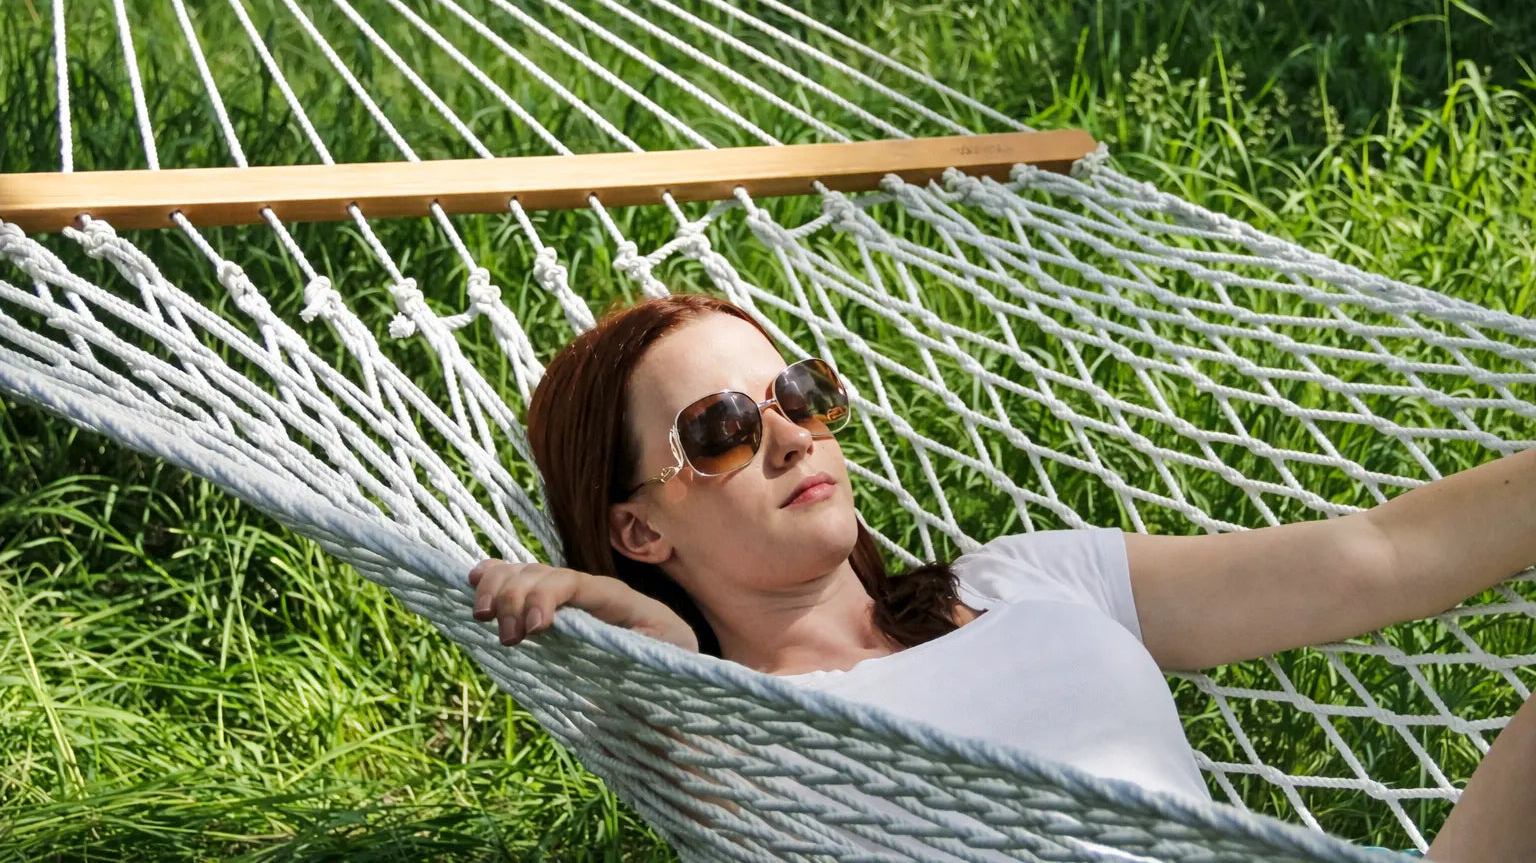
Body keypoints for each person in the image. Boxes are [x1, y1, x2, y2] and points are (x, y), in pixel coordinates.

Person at [466, 293, 1536, 861]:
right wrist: (634, 631)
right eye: (724, 430)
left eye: (799, 392)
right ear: (637, 530)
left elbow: (1378, 557)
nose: (793, 437)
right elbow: (669, 717)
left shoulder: (1030, 576)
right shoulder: (726, 727)